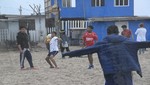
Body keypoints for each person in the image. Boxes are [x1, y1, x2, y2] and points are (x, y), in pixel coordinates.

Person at [63, 25, 150, 85]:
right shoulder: (128, 42)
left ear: (107, 33)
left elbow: (85, 50)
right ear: (118, 32)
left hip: (110, 73)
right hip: (126, 71)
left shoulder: (102, 44)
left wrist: (68, 53)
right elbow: (145, 44)